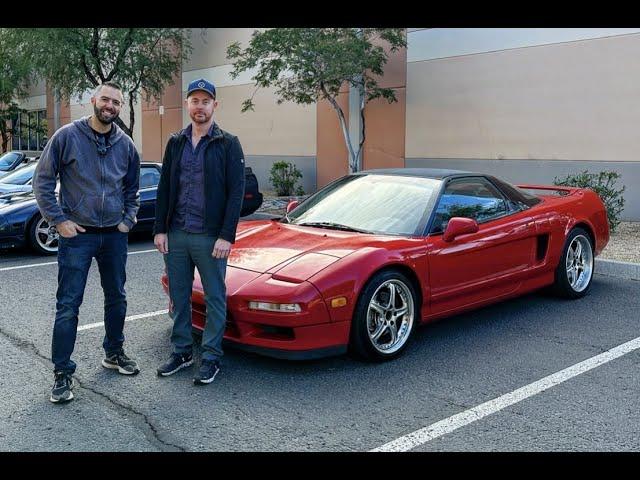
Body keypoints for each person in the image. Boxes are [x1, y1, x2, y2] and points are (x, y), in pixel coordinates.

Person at [33, 82, 141, 404]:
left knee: (117, 298)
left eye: (116, 102)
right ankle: (62, 372)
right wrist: (59, 221)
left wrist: (128, 219)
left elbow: (132, 189)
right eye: (105, 99)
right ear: (93, 100)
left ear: (120, 108)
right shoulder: (67, 137)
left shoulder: (126, 145)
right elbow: (42, 181)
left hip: (113, 236)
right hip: (77, 237)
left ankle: (114, 352)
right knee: (68, 306)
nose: (110, 106)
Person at [153, 78, 245, 385]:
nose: (199, 106)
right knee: (180, 296)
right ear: (188, 104)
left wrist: (226, 235)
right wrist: (160, 229)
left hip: (210, 237)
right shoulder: (176, 141)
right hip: (177, 233)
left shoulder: (228, 143)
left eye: (206, 101)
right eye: (194, 100)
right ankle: (181, 351)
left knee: (215, 296)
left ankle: (211, 356)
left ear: (214, 105)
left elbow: (236, 192)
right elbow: (165, 186)